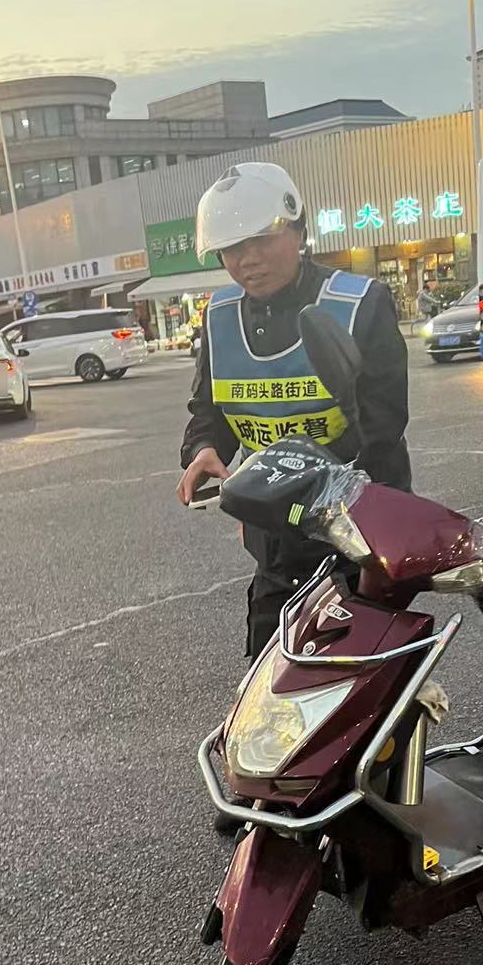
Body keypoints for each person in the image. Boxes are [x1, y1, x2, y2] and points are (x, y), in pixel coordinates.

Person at [177, 161, 410, 659]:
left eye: (262, 239)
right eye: (232, 248)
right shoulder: (219, 316)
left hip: (359, 529)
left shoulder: (358, 304)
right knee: (272, 672)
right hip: (275, 534)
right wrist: (204, 448)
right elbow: (209, 408)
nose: (248, 259)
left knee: (364, 677)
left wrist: (342, 513)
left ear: (299, 230)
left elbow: (385, 424)